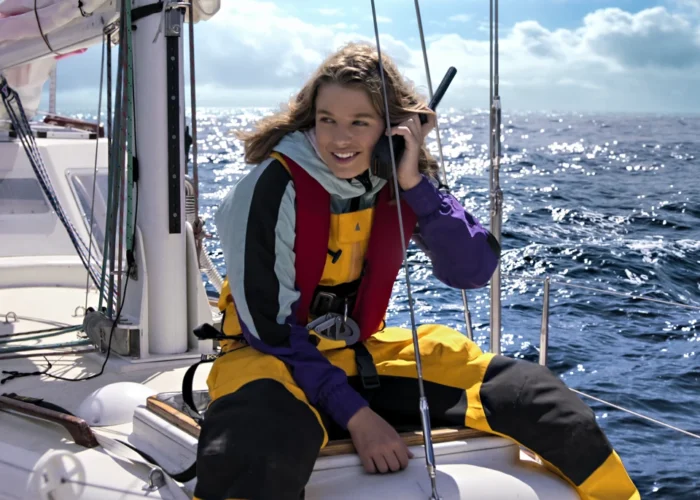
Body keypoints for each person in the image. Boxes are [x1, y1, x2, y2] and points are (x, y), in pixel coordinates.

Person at [194, 42, 639, 500]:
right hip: (270, 358)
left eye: (359, 123)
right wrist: (358, 418)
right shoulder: (269, 189)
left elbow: (472, 270)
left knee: (535, 396)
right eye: (327, 120)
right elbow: (272, 331)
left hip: (360, 350)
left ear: (393, 128)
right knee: (254, 445)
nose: (339, 138)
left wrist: (413, 182)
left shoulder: (398, 178)